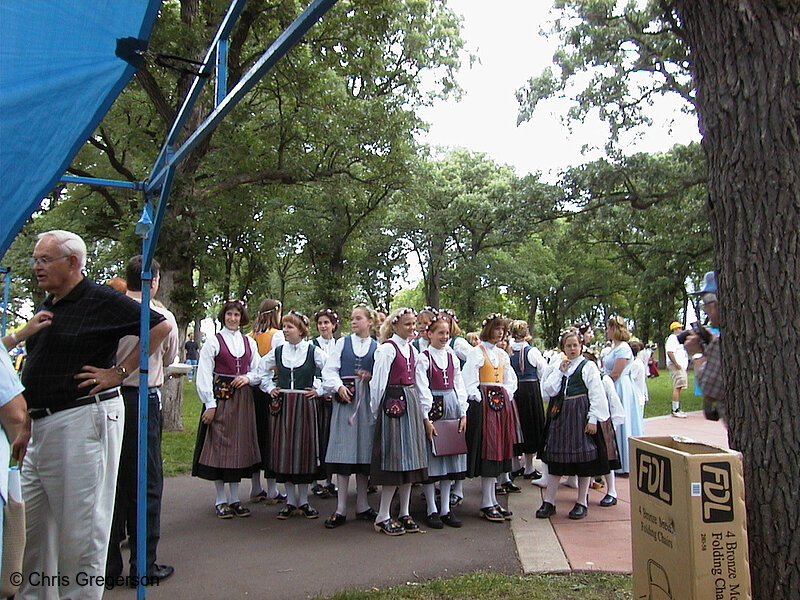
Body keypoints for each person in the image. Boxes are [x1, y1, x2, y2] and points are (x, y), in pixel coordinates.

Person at [19, 230, 172, 600]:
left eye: (44, 259)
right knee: (32, 532)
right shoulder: (50, 304)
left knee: (82, 530)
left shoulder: (100, 298)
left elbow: (159, 325)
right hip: (40, 426)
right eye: (35, 259)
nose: (37, 266)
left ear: (72, 263)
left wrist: (118, 373)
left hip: (80, 420)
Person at [106, 256, 178, 585]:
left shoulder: (111, 308)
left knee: (112, 481)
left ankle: (107, 566)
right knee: (146, 484)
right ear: (154, 280)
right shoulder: (161, 315)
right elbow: (169, 356)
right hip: (143, 397)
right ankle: (143, 566)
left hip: (109, 399)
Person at [192, 300, 261, 519]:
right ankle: (220, 499)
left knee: (238, 448)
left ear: (242, 318)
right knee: (220, 446)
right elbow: (203, 373)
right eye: (229, 314)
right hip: (221, 399)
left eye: (237, 315)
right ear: (224, 316)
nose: (233, 319)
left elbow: (258, 369)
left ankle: (235, 499)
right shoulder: (213, 342)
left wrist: (248, 377)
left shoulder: (249, 342)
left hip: (243, 400)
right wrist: (209, 403)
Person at [258, 311, 327, 519]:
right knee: (285, 451)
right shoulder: (278, 351)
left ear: (301, 330)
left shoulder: (313, 351)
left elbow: (331, 370)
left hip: (305, 404)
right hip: (284, 405)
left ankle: (304, 501)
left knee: (304, 450)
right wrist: (270, 388)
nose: (285, 330)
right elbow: (261, 369)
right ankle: (289, 501)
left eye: (289, 327)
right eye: (285, 326)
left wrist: (320, 390)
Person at [536, 329, 610, 520]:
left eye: (575, 345)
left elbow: (596, 393)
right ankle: (549, 502)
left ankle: (581, 502)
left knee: (583, 457)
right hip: (560, 416)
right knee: (555, 458)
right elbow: (550, 391)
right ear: (563, 348)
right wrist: (560, 372)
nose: (572, 349)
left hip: (580, 414)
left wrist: (593, 418)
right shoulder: (560, 366)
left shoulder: (588, 366)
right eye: (568, 346)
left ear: (581, 346)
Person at [369, 308, 428, 536]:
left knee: (410, 461)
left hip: (410, 405)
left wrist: (423, 410)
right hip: (393, 407)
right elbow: (377, 384)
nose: (412, 328)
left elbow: (420, 383)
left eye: (414, 324)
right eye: (407, 324)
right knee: (395, 460)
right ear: (394, 326)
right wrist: (376, 413)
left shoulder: (413, 351)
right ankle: (383, 515)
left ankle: (404, 512)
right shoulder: (386, 350)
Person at [321, 305, 378, 528]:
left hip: (367, 404)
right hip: (346, 401)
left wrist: (371, 376)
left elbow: (382, 373)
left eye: (358, 318)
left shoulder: (378, 346)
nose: (354, 322)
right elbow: (329, 370)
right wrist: (337, 387)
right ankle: (341, 508)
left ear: (369, 322)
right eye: (352, 318)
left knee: (364, 454)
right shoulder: (341, 343)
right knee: (343, 453)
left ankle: (362, 505)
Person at [462, 314, 520, 523]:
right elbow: (468, 379)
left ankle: (492, 500)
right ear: (488, 329)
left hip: (500, 405)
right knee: (490, 449)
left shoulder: (502, 354)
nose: (501, 333)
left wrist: (506, 393)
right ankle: (486, 501)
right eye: (497, 329)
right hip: (485, 406)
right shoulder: (477, 353)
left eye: (503, 330)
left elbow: (510, 378)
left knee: (500, 450)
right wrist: (477, 396)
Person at [415, 314, 468, 529]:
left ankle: (446, 507)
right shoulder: (424, 358)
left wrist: (463, 412)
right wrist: (425, 417)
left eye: (447, 333)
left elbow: (459, 383)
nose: (444, 337)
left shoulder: (452, 357)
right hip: (434, 407)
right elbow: (421, 388)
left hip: (452, 405)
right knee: (433, 458)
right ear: (429, 334)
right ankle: (431, 508)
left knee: (450, 457)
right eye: (440, 333)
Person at [248, 298, 286, 504]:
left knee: (256, 435)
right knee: (271, 437)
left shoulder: (250, 336)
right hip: (271, 388)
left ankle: (256, 486)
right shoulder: (277, 336)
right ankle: (272, 489)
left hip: (254, 390)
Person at [508, 320, 546, 480]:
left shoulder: (507, 351)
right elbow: (542, 370)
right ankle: (529, 467)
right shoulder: (532, 351)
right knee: (530, 426)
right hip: (529, 391)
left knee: (516, 426)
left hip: (513, 392)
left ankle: (516, 465)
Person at [603, 315, 642, 474]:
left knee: (622, 422)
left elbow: (617, 372)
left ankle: (626, 463)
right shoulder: (614, 347)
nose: (607, 331)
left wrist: (603, 380)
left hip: (621, 387)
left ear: (614, 329)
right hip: (612, 385)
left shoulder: (623, 348)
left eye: (608, 328)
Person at [684, 272, 724, 420]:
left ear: (715, 304)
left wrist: (696, 354)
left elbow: (710, 391)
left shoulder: (724, 343)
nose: (705, 310)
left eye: (705, 305)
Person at [311, 308, 338, 499]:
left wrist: (332, 390)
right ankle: (315, 481)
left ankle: (330, 480)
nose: (323, 326)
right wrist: (322, 391)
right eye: (320, 323)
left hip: (334, 397)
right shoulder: (312, 345)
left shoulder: (339, 345)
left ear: (334, 325)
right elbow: (313, 372)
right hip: (317, 396)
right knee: (317, 435)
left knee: (332, 436)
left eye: (326, 323)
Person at [665, 321, 689, 417]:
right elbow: (670, 352)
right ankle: (675, 409)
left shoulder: (679, 339)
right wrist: (676, 364)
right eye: (679, 328)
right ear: (675, 330)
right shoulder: (672, 338)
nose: (681, 330)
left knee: (680, 386)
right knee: (678, 386)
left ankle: (677, 408)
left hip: (681, 366)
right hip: (676, 366)